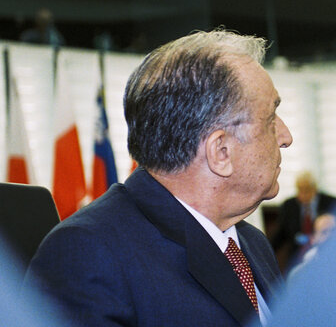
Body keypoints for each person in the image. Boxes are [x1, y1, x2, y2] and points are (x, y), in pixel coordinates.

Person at [24, 29, 293, 326]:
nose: (285, 137)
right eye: (271, 119)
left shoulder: (251, 243)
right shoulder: (87, 254)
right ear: (221, 151)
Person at [269, 171, 336, 271]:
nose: (303, 194)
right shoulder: (289, 206)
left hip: (325, 256)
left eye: (306, 189)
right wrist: (266, 252)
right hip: (297, 258)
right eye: (300, 190)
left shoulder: (332, 203)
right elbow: (280, 235)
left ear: (315, 188)